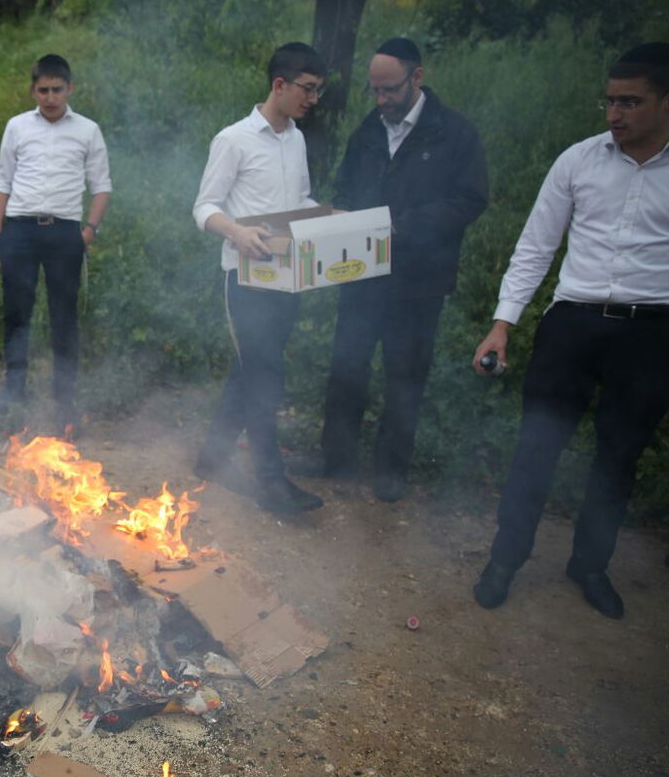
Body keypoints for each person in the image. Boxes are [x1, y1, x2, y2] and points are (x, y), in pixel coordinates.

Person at [471, 42, 669, 620]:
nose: (614, 114)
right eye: (610, 101)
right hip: (572, 324)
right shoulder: (578, 160)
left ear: (665, 102)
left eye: (630, 102)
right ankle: (505, 559)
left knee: (619, 455)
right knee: (537, 446)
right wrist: (501, 326)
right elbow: (535, 248)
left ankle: (589, 564)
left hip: (651, 332)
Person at [312, 38, 488, 501]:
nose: (381, 100)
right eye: (374, 90)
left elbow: (469, 200)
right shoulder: (370, 128)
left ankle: (391, 472)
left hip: (418, 280)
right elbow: (346, 186)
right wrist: (343, 217)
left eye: (389, 90)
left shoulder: (454, 134)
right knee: (347, 366)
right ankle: (337, 459)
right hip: (361, 271)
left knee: (405, 376)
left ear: (417, 78)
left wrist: (400, 227)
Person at [191, 42, 327, 515]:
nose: (313, 99)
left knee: (249, 372)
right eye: (307, 89)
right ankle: (272, 483)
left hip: (287, 277)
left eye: (318, 90)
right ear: (279, 85)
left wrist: (333, 216)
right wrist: (236, 231)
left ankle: (210, 459)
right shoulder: (234, 139)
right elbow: (204, 207)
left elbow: (301, 199)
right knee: (265, 376)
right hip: (244, 279)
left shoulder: (296, 138)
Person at [0, 53, 112, 436]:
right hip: (20, 230)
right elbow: (2, 181)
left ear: (70, 89)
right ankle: (14, 395)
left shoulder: (88, 130)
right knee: (16, 314)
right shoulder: (17, 127)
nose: (50, 97)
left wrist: (89, 228)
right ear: (33, 90)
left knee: (64, 318)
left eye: (57, 89)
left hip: (65, 232)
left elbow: (102, 185)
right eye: (43, 90)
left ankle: (65, 402)